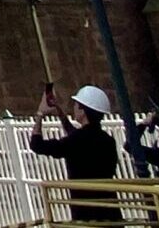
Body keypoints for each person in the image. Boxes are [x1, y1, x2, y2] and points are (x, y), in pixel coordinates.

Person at [30, 85, 124, 224]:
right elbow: (76, 135)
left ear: (83, 110)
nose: (73, 107)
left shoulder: (77, 140)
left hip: (85, 212)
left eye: (76, 104)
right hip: (110, 210)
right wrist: (60, 112)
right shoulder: (107, 140)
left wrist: (40, 115)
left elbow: (37, 145)